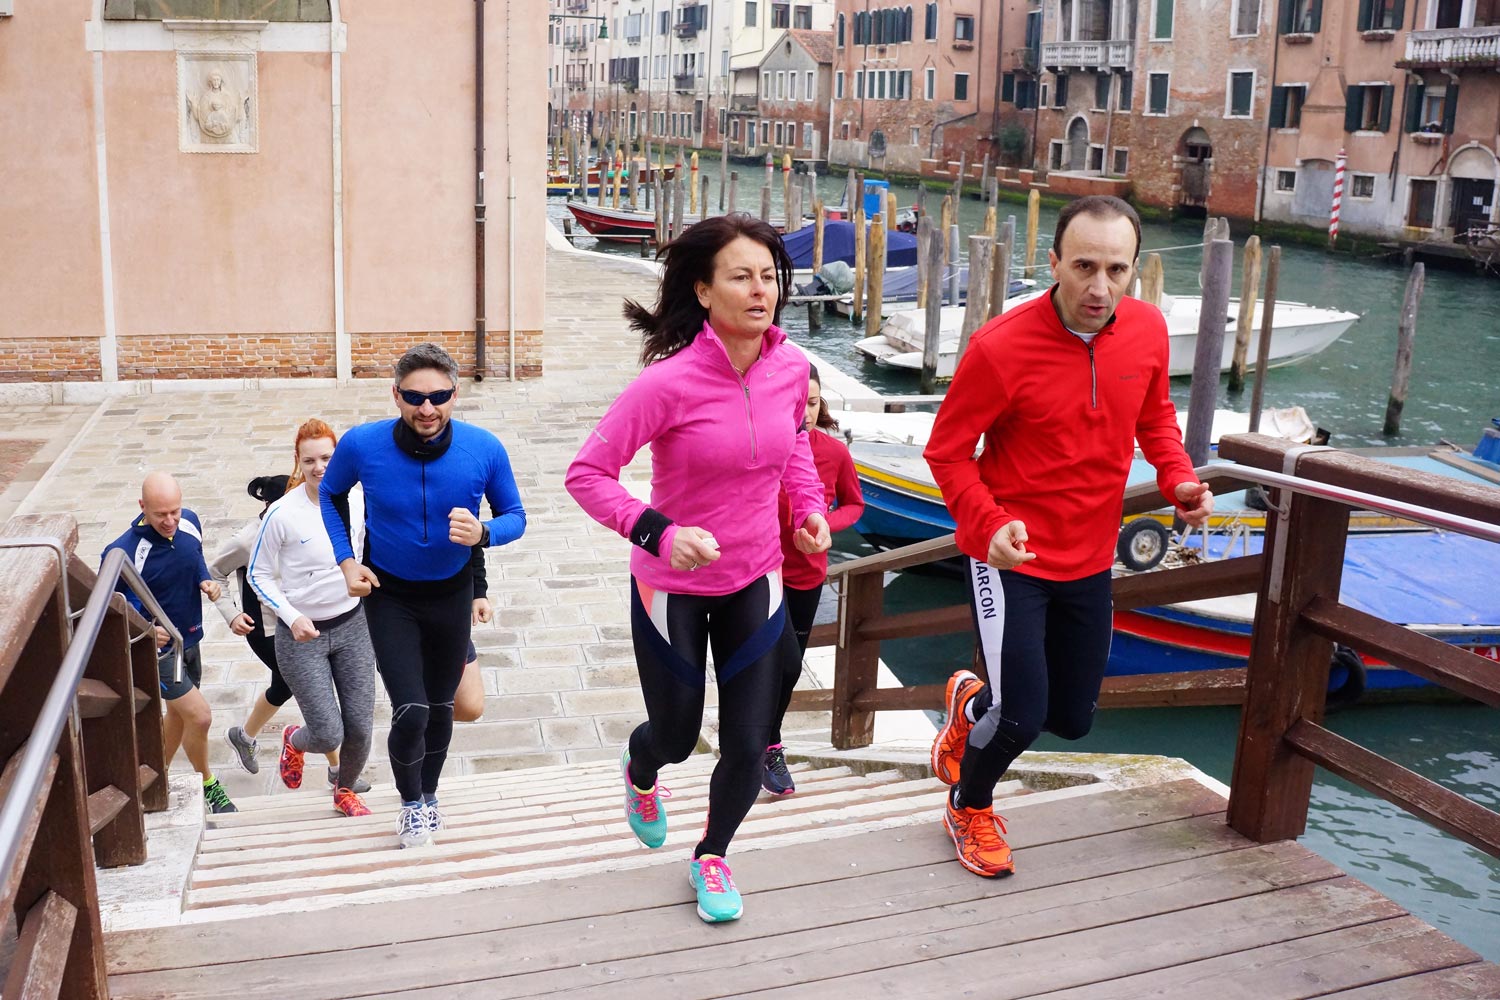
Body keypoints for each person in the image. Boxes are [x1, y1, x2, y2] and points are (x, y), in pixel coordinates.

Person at [923, 195, 1215, 878]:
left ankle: (971, 706)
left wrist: (1177, 479)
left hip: (1089, 555)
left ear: (1135, 271)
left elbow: (1156, 416)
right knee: (1023, 716)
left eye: (1117, 269)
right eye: (1084, 266)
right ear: (1053, 263)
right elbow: (947, 452)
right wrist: (990, 526)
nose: (1100, 286)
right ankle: (969, 805)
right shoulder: (999, 346)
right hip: (1010, 556)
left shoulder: (1146, 331)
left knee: (1074, 719)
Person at [566, 213, 831, 923]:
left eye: (769, 276)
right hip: (672, 586)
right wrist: (659, 532)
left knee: (749, 741)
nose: (760, 290)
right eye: (741, 276)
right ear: (704, 291)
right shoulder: (667, 384)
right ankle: (641, 769)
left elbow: (796, 446)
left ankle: (712, 854)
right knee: (678, 736)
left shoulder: (792, 368)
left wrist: (808, 509)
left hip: (757, 576)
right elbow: (587, 474)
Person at [320, 343, 526, 848]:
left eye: (438, 396)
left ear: (455, 395)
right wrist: (347, 561)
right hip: (391, 596)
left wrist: (483, 534)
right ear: (396, 396)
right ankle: (410, 805)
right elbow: (329, 493)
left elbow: (516, 516)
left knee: (438, 708)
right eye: (414, 396)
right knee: (409, 709)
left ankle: (429, 797)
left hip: (451, 597)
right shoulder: (363, 445)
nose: (427, 408)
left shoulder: (483, 448)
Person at [248, 420, 379, 817]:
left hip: (353, 626)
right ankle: (294, 738)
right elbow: (258, 573)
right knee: (327, 731)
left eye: (327, 458)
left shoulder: (357, 500)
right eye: (310, 461)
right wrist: (289, 615)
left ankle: (343, 790)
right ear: (298, 463)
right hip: (302, 637)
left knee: (360, 727)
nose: (319, 467)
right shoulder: (281, 514)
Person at [211, 475, 372, 794]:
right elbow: (215, 572)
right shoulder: (249, 538)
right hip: (269, 630)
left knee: (285, 686)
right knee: (315, 692)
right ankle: (337, 769)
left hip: (307, 623)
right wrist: (231, 615)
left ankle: (243, 737)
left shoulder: (308, 520)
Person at [102, 472, 235, 814]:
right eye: (161, 514)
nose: (170, 520)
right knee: (201, 716)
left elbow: (195, 557)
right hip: (159, 652)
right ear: (142, 507)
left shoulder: (188, 523)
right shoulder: (122, 552)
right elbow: (110, 607)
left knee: (178, 718)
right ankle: (208, 783)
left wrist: (206, 580)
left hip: (191, 638)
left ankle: (148, 782)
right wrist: (144, 628)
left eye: (174, 510)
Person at [763, 364, 865, 795]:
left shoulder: (834, 453)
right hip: (760, 571)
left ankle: (769, 745)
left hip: (806, 573)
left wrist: (825, 524)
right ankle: (757, 744)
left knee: (788, 670)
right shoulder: (763, 444)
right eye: (797, 401)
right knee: (769, 662)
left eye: (812, 401)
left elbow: (854, 506)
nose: (804, 410)